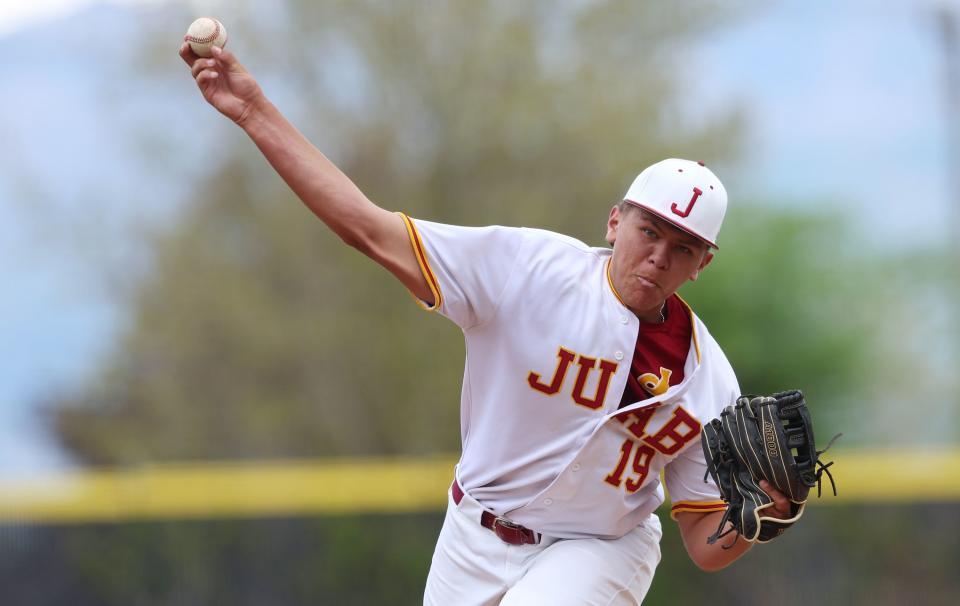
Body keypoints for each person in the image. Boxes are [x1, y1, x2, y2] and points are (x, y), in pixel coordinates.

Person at [180, 41, 792, 605]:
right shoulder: (524, 271)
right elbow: (369, 228)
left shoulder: (706, 377)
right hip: (472, 534)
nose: (658, 255)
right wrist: (254, 110)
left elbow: (702, 544)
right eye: (649, 231)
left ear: (703, 263)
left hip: (601, 550)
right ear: (614, 222)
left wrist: (764, 513)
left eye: (682, 247)